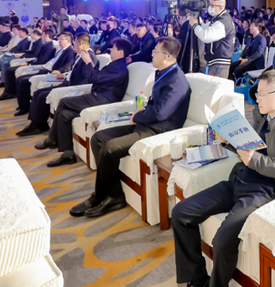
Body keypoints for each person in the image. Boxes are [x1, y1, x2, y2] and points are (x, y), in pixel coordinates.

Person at [171, 70, 275, 287]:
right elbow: (249, 146)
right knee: (181, 212)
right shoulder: (261, 116)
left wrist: (254, 160)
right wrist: (228, 139)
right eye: (257, 94)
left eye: (261, 94)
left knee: (222, 240)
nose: (256, 99)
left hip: (264, 192)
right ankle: (197, 279)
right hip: (239, 181)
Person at [70, 37, 191, 218]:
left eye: (155, 52)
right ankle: (114, 195)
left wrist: (139, 115)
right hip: (145, 123)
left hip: (157, 130)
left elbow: (160, 114)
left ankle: (99, 196)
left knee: (109, 148)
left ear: (165, 56)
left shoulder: (177, 81)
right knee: (98, 138)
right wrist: (141, 112)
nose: (151, 54)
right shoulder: (164, 72)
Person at [35, 37, 132, 167]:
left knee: (63, 102)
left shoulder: (119, 67)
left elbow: (94, 77)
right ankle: (68, 154)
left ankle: (52, 139)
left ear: (121, 52)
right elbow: (99, 78)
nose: (110, 50)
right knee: (64, 115)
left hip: (102, 100)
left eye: (113, 48)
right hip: (97, 96)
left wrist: (88, 63)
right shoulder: (115, 65)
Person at [16, 33, 98, 137]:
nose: (73, 44)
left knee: (42, 96)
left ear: (81, 43)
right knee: (38, 93)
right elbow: (74, 72)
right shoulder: (81, 55)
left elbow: (87, 78)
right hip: (67, 83)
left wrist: (72, 88)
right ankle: (35, 123)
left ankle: (38, 126)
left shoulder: (89, 57)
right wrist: (64, 75)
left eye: (75, 42)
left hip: (74, 87)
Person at [12, 32, 78, 111]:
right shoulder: (61, 50)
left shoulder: (70, 51)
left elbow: (69, 64)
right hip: (45, 68)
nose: (59, 41)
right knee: (20, 79)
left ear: (68, 41)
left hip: (51, 72)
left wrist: (59, 71)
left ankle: (24, 107)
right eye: (59, 39)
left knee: (23, 81)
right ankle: (23, 105)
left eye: (61, 39)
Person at [0, 29, 56, 101]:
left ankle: (9, 93)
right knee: (9, 70)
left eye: (43, 34)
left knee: (11, 71)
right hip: (33, 62)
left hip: (37, 66)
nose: (42, 36)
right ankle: (10, 92)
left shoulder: (49, 47)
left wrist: (29, 63)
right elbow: (37, 57)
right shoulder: (45, 44)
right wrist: (28, 62)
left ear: (46, 35)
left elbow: (42, 61)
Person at [190, 0, 237, 78]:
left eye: (213, 5)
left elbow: (206, 36)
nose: (210, 7)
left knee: (216, 85)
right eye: (209, 4)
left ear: (221, 7)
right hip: (217, 64)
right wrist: (197, 22)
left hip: (219, 64)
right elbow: (207, 28)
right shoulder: (219, 19)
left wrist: (194, 25)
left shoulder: (223, 22)